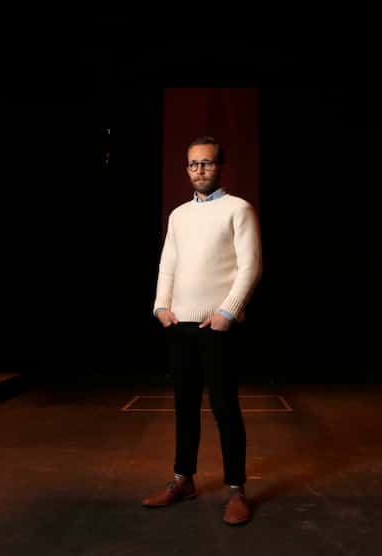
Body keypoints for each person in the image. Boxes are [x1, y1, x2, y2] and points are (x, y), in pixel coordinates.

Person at [142, 136, 262, 525]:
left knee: (225, 409)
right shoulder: (178, 215)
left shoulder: (238, 209)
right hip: (180, 325)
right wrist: (161, 306)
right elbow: (168, 265)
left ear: (219, 166)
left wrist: (228, 312)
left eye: (207, 163)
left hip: (219, 327)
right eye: (193, 164)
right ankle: (183, 480)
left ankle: (236, 490)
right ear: (187, 168)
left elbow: (251, 268)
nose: (199, 170)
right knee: (184, 409)